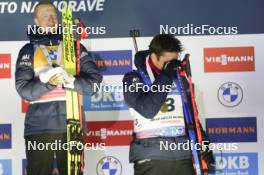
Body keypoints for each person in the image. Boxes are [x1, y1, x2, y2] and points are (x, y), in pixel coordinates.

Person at [15, 1, 102, 175]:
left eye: (54, 15)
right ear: (36, 22)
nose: (51, 20)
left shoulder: (75, 47)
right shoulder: (28, 50)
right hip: (39, 126)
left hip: (71, 124)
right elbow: (23, 89)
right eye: (45, 16)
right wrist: (49, 83)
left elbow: (94, 84)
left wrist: (71, 82)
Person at [123, 34, 215, 175]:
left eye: (174, 62)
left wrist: (204, 145)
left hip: (183, 157)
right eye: (167, 63)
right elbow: (148, 110)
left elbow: (192, 118)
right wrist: (165, 75)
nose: (172, 66)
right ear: (154, 56)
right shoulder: (133, 78)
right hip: (151, 158)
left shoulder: (179, 78)